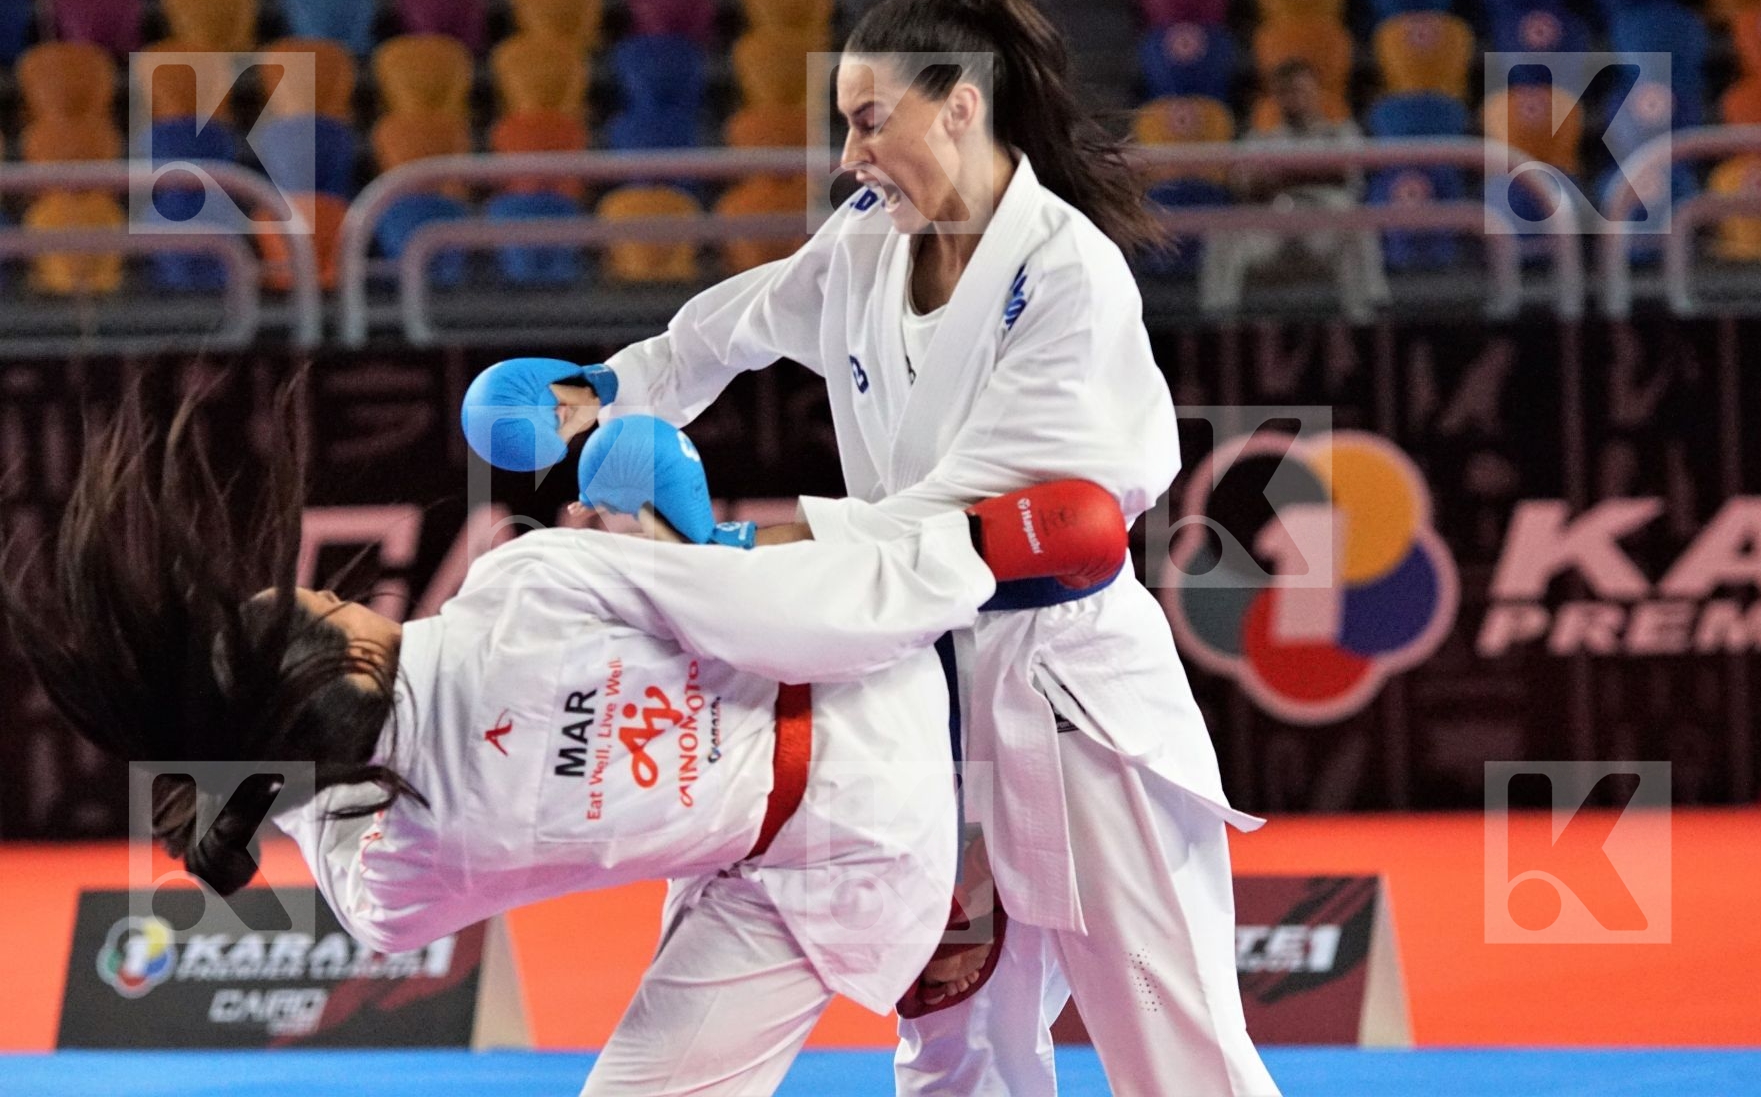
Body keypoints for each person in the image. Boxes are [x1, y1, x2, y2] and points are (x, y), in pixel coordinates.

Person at [477, 0, 1280, 1097]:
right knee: (953, 1043)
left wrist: (738, 556)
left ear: (960, 105)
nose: (848, 154)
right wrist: (601, 394)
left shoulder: (1068, 278)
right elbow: (726, 330)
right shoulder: (866, 241)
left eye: (868, 120)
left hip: (1068, 694)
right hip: (914, 699)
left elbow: (955, 522)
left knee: (1174, 1045)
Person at [0, 382, 1129, 1097]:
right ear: (338, 655)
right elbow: (795, 610)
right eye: (305, 605)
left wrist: (260, 784)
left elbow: (334, 810)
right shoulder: (527, 586)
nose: (318, 591)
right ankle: (962, 926)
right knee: (737, 546)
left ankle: (953, 944)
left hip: (813, 878)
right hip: (874, 745)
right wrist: (973, 549)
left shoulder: (394, 874)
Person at [1202, 58, 1390, 321]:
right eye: (1285, 92)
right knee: (1223, 228)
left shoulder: (1340, 133)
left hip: (1324, 228)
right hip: (1273, 228)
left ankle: (1367, 319)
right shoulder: (1262, 137)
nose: (1294, 98)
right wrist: (1308, 174)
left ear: (1315, 93)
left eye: (1300, 90)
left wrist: (1282, 176)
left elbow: (1344, 176)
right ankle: (1218, 320)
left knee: (1358, 223)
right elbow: (1243, 185)